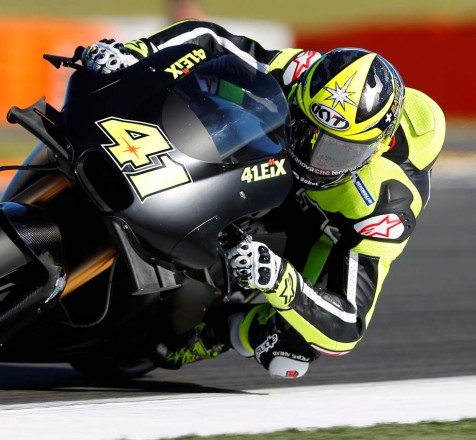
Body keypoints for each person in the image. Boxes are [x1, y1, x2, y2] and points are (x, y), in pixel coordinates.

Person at [80, 20, 445, 379]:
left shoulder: (384, 207)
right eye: (306, 129)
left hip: (323, 228)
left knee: (291, 346)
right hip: (275, 161)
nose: (314, 157)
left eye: (336, 152)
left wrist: (279, 280)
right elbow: (212, 40)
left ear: (374, 149)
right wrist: (137, 53)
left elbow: (348, 325)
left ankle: (222, 333)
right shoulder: (299, 71)